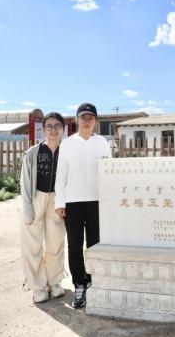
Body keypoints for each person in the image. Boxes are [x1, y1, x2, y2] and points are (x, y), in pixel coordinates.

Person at [54, 103, 111, 309]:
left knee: (95, 244)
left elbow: (109, 171)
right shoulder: (67, 143)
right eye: (83, 117)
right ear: (77, 120)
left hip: (97, 201)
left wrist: (108, 200)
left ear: (95, 121)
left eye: (90, 118)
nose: (87, 121)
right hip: (73, 203)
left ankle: (95, 281)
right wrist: (60, 202)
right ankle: (79, 284)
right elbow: (61, 174)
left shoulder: (102, 142)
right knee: (75, 245)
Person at [20, 112, 67, 303]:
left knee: (56, 243)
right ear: (44, 129)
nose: (53, 130)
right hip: (36, 197)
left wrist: (65, 202)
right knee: (33, 245)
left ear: (63, 129)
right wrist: (27, 206)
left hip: (58, 200)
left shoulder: (67, 152)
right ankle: (38, 286)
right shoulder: (33, 152)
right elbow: (24, 181)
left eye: (57, 126)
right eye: (49, 126)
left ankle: (55, 283)